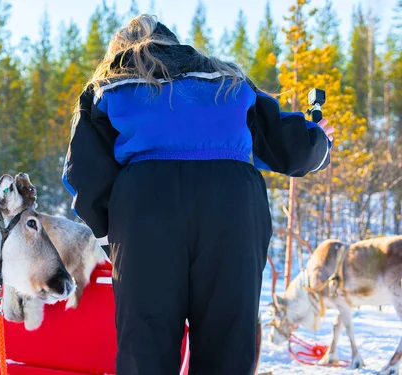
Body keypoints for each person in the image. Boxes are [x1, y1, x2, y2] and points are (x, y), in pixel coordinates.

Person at [62, 14, 334, 375]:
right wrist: (319, 141)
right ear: (175, 45)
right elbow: (286, 145)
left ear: (119, 51)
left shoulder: (109, 86)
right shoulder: (226, 79)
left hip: (146, 206)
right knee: (227, 343)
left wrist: (113, 238)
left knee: (146, 344)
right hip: (232, 204)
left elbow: (83, 172)